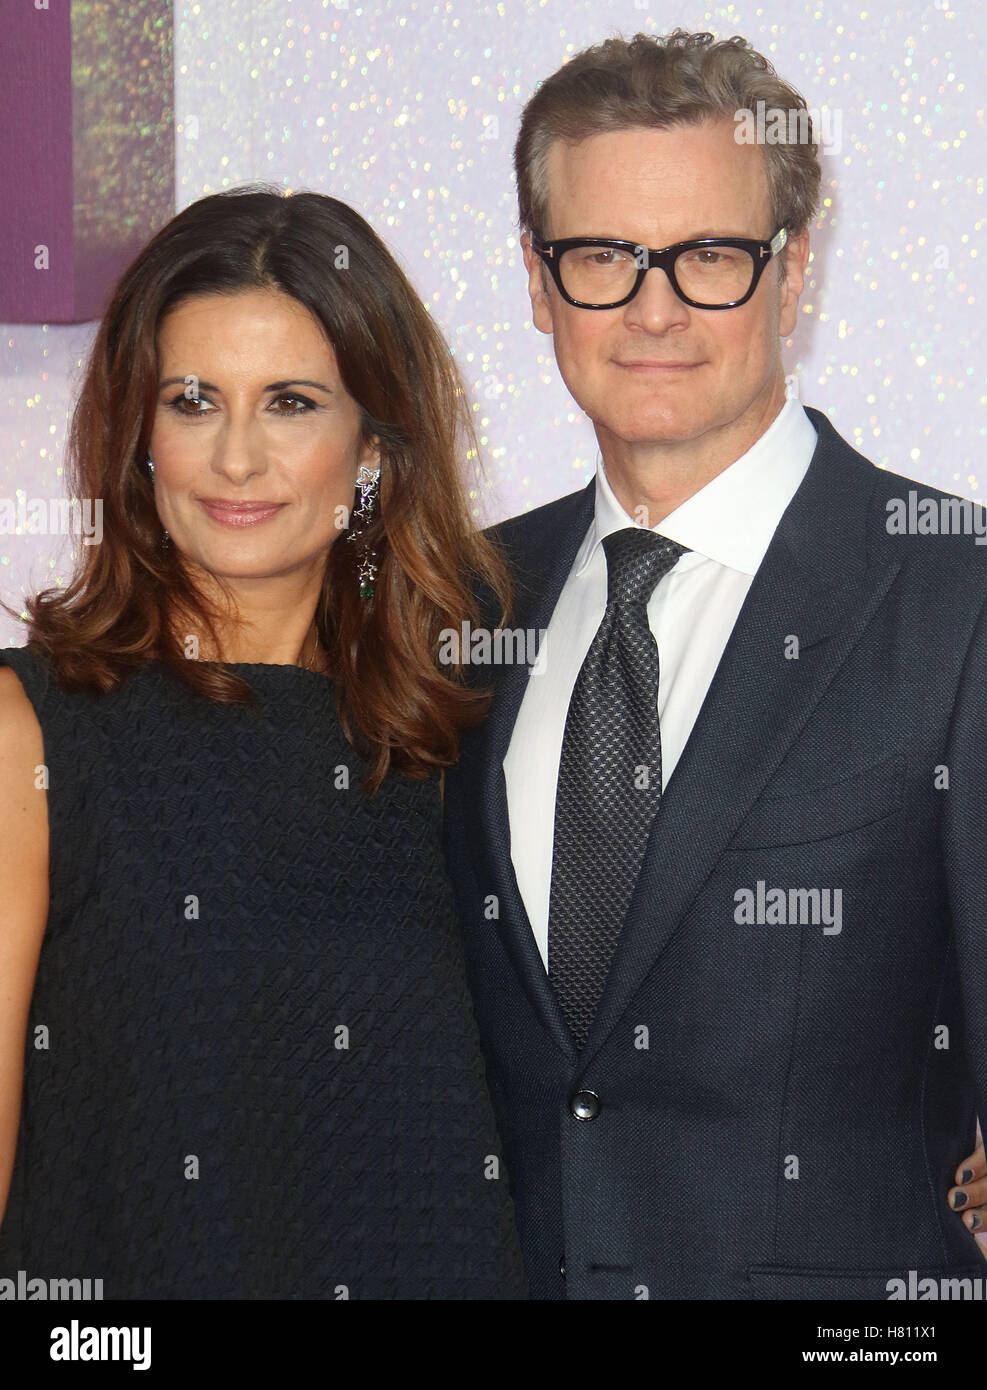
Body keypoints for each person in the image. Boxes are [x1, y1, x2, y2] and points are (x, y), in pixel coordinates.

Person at [442, 29, 987, 1299]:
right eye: (601, 258)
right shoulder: (456, 600)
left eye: (709, 258)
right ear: (537, 280)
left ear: (793, 275)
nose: (652, 308)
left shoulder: (957, 598)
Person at [0, 187, 528, 1299]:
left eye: (290, 403)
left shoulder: (458, 730)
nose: (236, 458)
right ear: (138, 438)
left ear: (374, 450)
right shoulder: (31, 734)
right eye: (193, 402)